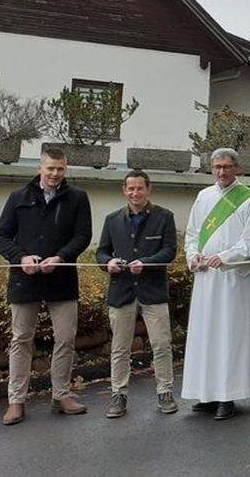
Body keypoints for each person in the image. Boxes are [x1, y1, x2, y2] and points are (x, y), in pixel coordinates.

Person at [0, 147, 92, 426]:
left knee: (65, 338)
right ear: (40, 168)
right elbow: (1, 236)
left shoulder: (77, 198)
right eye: (50, 168)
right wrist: (20, 257)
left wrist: (61, 257)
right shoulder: (17, 197)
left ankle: (61, 395)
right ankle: (16, 401)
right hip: (25, 279)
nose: (55, 174)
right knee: (21, 339)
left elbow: (83, 236)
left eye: (60, 168)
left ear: (65, 169)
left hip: (61, 278)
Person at [182, 148, 250, 421]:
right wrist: (193, 256)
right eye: (217, 167)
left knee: (230, 335)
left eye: (227, 167)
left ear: (237, 168)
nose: (221, 172)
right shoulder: (203, 196)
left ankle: (228, 395)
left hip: (233, 279)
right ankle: (206, 393)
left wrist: (225, 256)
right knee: (205, 334)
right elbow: (193, 233)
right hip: (206, 278)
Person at [97, 170, 179, 419]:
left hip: (153, 292)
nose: (135, 193)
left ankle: (165, 391)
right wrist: (108, 262)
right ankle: (118, 394)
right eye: (130, 188)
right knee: (120, 348)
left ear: (149, 190)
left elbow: (169, 251)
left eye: (139, 188)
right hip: (121, 292)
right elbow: (100, 253)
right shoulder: (112, 220)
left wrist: (145, 262)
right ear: (124, 190)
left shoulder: (165, 217)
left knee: (161, 345)